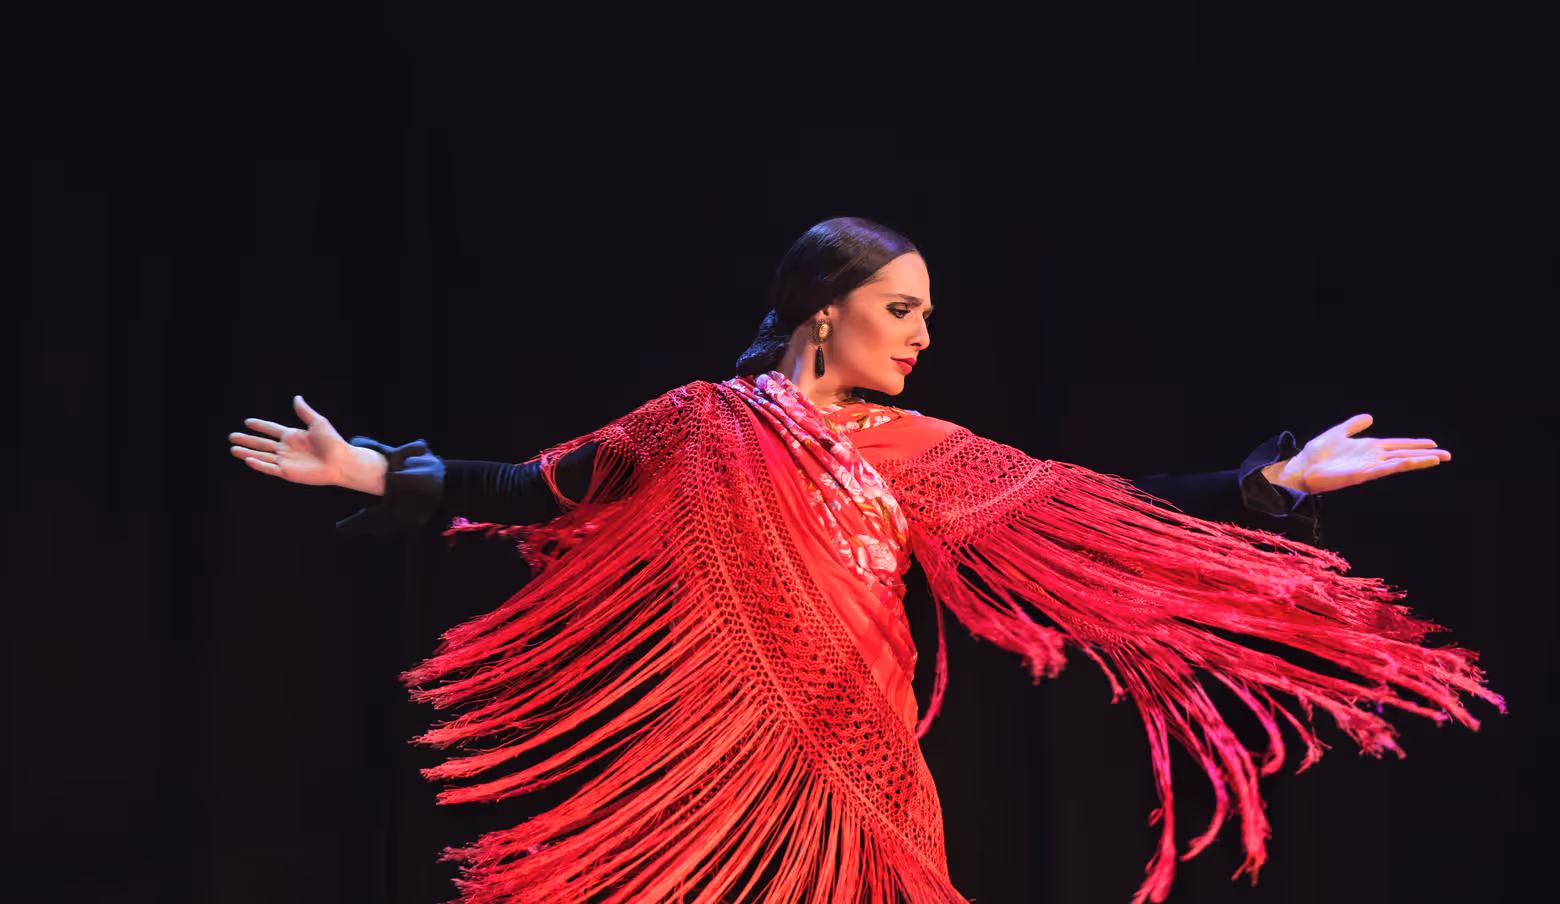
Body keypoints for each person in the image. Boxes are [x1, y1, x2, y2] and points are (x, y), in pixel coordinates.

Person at [228, 217, 1500, 904]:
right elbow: (532, 487)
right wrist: (371, 472)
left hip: (864, 767)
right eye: (906, 308)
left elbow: (1096, 504)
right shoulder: (695, 424)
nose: (925, 335)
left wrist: (1266, 484)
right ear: (824, 306)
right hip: (710, 770)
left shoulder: (910, 443)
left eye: (931, 316)